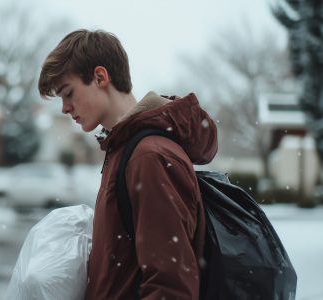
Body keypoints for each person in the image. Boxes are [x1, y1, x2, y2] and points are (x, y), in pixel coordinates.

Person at [38, 29, 218, 300]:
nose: (64, 108)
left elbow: (170, 286)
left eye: (69, 93)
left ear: (100, 77)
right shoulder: (123, 149)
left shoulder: (149, 157)